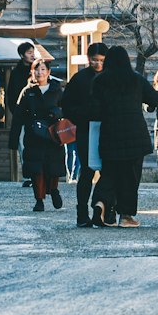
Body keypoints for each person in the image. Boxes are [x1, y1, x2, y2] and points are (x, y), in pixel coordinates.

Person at [91, 44, 155, 225]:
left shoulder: (99, 81)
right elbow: (154, 99)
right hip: (135, 136)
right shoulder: (136, 80)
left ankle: (100, 203)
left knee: (109, 173)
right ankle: (126, 216)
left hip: (110, 134)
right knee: (130, 177)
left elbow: (95, 109)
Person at [11, 51, 70, 211]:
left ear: (48, 72)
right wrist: (13, 139)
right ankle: (39, 199)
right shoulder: (27, 91)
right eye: (36, 69)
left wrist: (57, 113)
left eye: (43, 69)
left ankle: (54, 190)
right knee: (36, 169)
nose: (40, 73)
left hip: (53, 134)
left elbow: (67, 109)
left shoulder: (56, 90)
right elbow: (18, 115)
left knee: (53, 166)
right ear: (32, 72)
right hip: (34, 135)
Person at [61, 46, 109, 226]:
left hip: (106, 128)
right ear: (88, 59)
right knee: (87, 172)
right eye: (95, 60)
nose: (98, 64)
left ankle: (102, 209)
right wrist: (81, 116)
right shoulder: (79, 79)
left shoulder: (111, 77)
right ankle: (82, 213)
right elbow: (66, 105)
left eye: (102, 60)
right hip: (86, 128)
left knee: (107, 172)